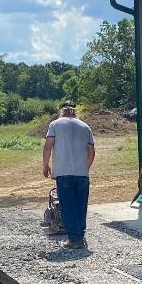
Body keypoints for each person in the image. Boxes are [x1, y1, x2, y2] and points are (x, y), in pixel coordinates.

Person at [42, 101, 95, 249]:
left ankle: (74, 239)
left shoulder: (55, 125)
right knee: (80, 206)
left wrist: (46, 165)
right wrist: (85, 168)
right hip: (82, 174)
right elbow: (91, 152)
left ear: (62, 112)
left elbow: (48, 147)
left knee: (68, 206)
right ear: (75, 112)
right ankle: (80, 236)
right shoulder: (86, 127)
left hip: (63, 172)